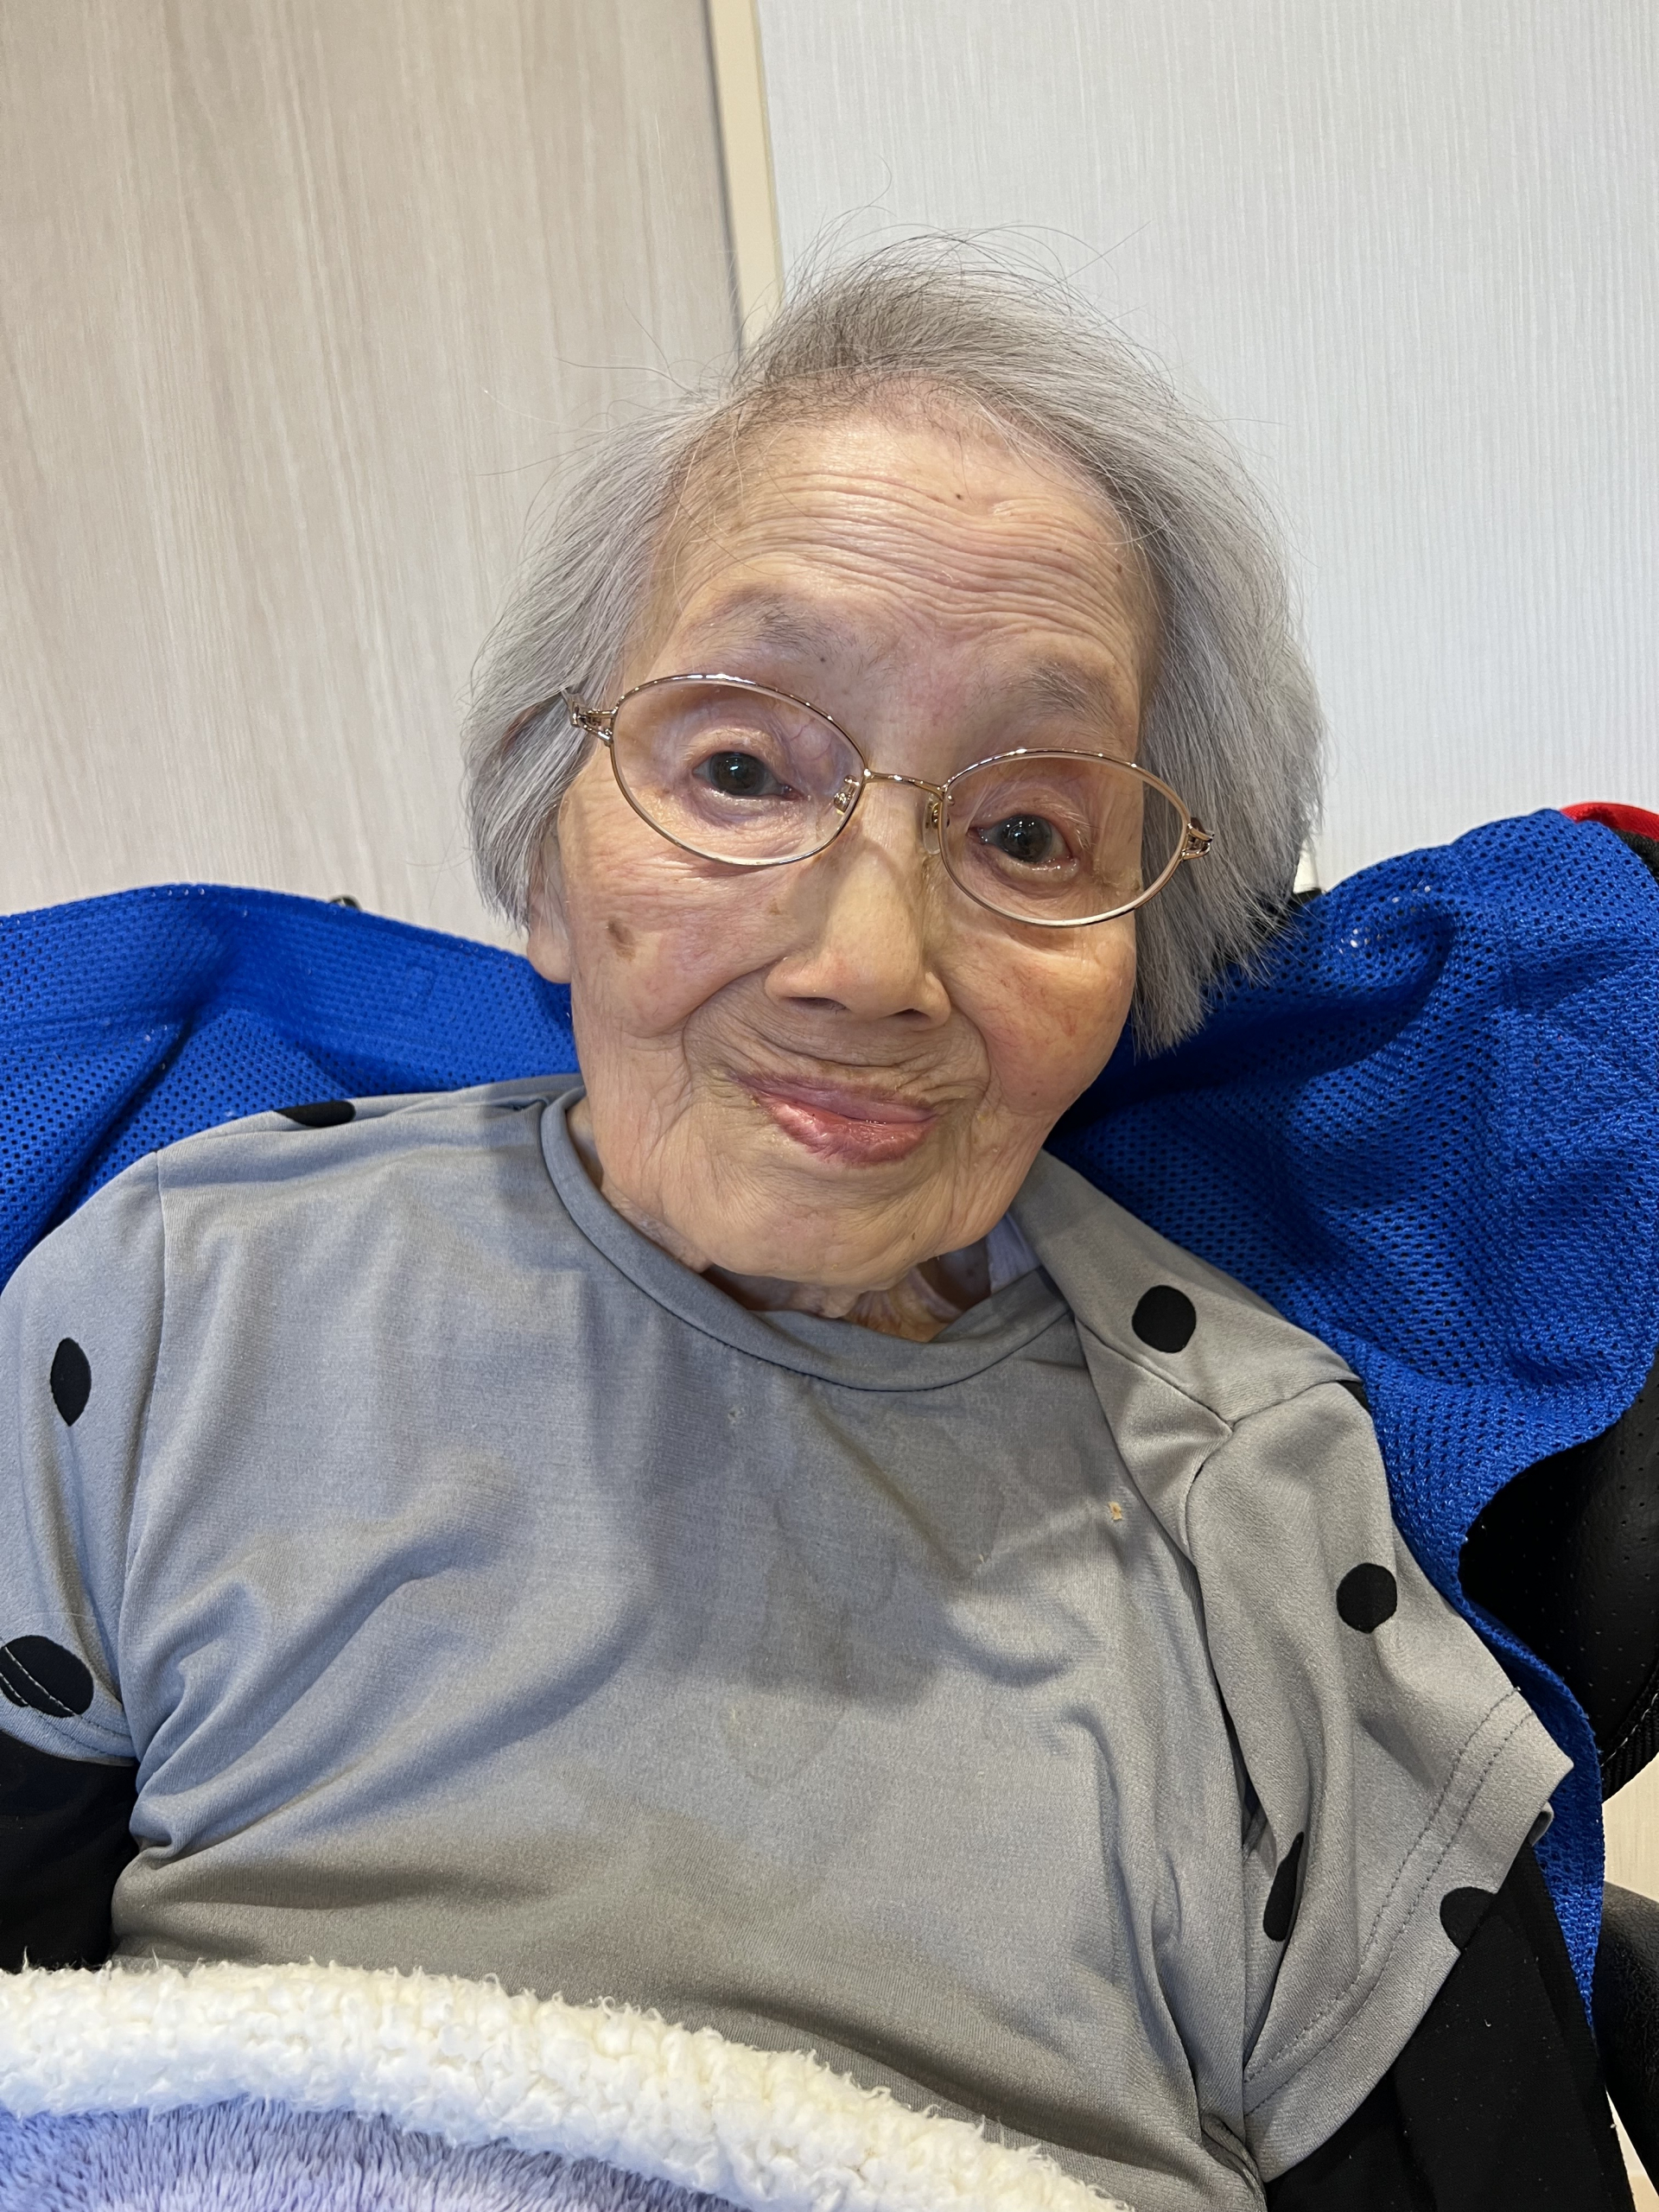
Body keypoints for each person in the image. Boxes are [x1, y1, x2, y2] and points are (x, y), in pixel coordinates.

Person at [0, 244, 1632, 2211]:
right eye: (741, 767)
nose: (867, 962)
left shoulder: (1261, 1514)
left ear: (1140, 956)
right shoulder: (184, 1302)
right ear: (545, 842)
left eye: (1027, 834)